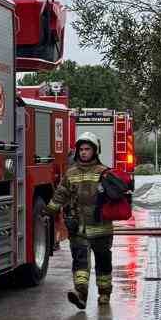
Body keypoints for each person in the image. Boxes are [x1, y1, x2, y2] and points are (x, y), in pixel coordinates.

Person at [48, 131, 121, 310]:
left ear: (95, 151)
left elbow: (116, 196)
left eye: (87, 149)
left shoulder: (104, 172)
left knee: (103, 261)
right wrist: (49, 211)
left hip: (101, 226)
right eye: (81, 149)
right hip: (78, 227)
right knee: (80, 262)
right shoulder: (70, 173)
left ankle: (104, 293)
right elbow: (60, 194)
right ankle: (81, 293)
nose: (83, 152)